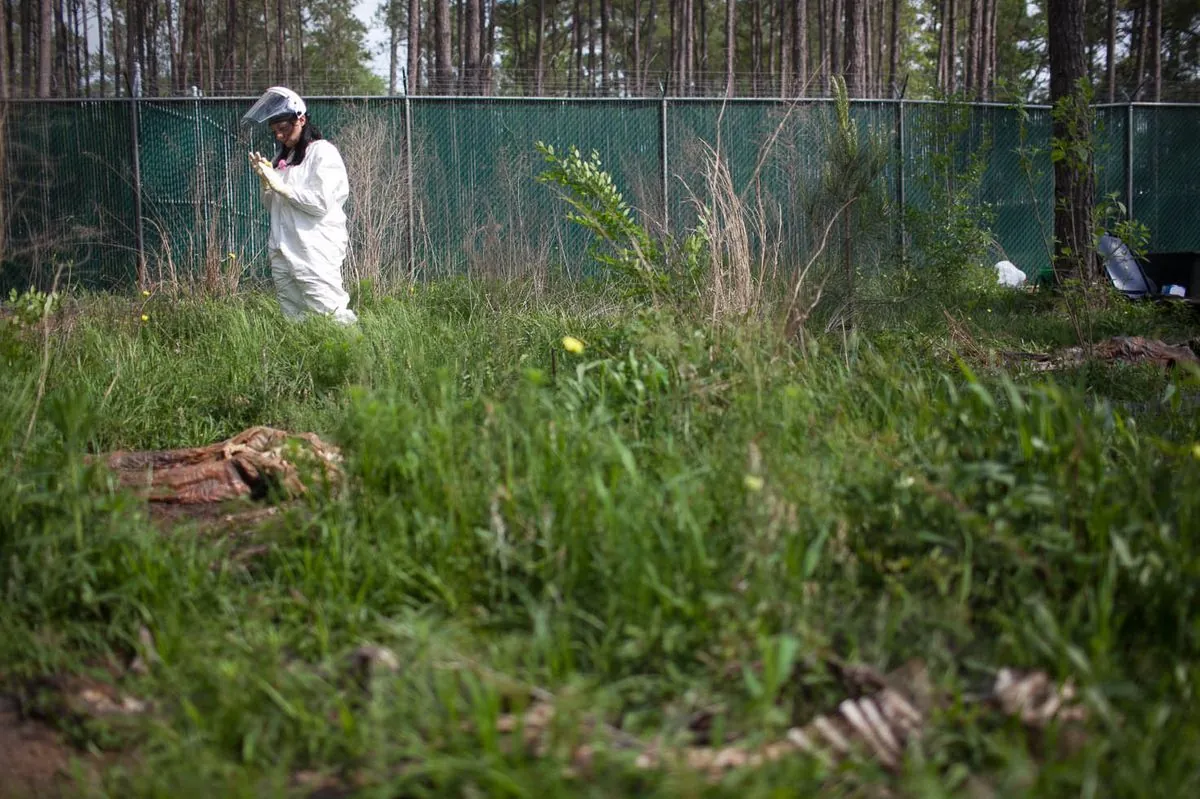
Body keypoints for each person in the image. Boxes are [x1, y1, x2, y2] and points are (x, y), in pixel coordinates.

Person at [243, 86, 357, 325]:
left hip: (315, 249)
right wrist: (267, 184)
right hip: (284, 249)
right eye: (274, 131)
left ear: (301, 119)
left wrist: (283, 187)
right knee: (294, 318)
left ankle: (356, 360)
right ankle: (308, 361)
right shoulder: (282, 160)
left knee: (330, 313)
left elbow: (320, 203)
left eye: (283, 129)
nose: (278, 136)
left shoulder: (322, 153)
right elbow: (274, 207)